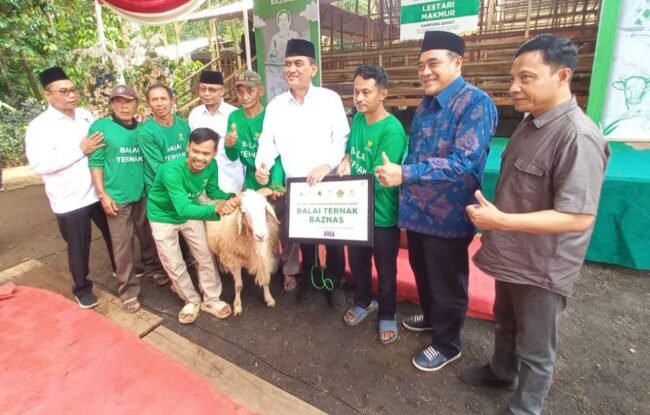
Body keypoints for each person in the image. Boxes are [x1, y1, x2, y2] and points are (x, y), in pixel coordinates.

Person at [460, 35, 610, 415]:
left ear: (562, 76)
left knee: (537, 346)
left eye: (526, 78)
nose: (514, 87)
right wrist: (498, 223)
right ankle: (501, 372)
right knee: (506, 322)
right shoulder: (532, 123)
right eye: (513, 78)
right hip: (512, 251)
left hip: (542, 265)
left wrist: (502, 220)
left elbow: (578, 216)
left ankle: (525, 408)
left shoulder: (577, 136)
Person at [375, 31, 498, 371]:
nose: (425, 72)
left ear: (457, 62)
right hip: (416, 212)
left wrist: (405, 174)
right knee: (423, 272)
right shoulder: (427, 104)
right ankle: (431, 317)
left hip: (448, 217)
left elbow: (462, 162)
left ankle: (447, 343)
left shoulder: (476, 103)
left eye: (433, 63)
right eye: (421, 66)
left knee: (447, 282)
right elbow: (417, 152)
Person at [255, 39, 350, 309]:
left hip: (327, 182)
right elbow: (267, 142)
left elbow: (341, 138)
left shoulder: (329, 100)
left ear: (313, 69)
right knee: (305, 240)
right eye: (288, 64)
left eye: (298, 63)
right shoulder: (276, 106)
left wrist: (327, 165)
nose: (292, 69)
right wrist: (262, 166)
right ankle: (310, 280)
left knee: (333, 238)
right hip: (297, 187)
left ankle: (335, 282)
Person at [25, 66, 116, 308]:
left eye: (73, 90)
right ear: (47, 95)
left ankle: (121, 268)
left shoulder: (85, 115)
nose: (71, 95)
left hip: (98, 190)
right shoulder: (39, 127)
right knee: (78, 245)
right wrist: (79, 150)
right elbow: (40, 164)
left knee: (114, 234)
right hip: (70, 198)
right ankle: (82, 288)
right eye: (63, 91)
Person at [337, 64, 407, 344]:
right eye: (356, 92)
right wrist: (346, 160)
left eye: (366, 92)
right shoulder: (357, 119)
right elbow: (350, 152)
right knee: (357, 261)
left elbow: (381, 177)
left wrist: (348, 187)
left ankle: (387, 313)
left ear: (383, 94)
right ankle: (363, 301)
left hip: (381, 214)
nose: (359, 98)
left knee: (385, 268)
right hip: (356, 212)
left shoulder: (392, 130)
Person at [147, 128, 239, 324]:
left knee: (205, 255)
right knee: (173, 262)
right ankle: (191, 300)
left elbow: (213, 191)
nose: (199, 157)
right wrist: (217, 210)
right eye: (195, 151)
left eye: (206, 153)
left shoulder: (212, 166)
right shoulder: (171, 170)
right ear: (188, 147)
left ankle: (212, 300)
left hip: (192, 211)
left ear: (214, 153)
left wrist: (232, 198)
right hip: (163, 216)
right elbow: (182, 209)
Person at [88, 85, 167, 313]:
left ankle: (154, 269)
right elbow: (96, 162)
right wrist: (103, 194)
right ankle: (128, 290)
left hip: (142, 193)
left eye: (129, 101)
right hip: (117, 197)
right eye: (118, 101)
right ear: (112, 104)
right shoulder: (101, 128)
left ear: (136, 104)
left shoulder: (142, 129)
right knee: (122, 244)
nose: (124, 106)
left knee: (148, 235)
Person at [223, 69, 300, 291]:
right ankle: (266, 263)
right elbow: (232, 156)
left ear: (261, 91)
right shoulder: (234, 118)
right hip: (252, 182)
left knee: (285, 226)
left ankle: (290, 270)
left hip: (276, 178)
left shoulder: (271, 116)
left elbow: (281, 153)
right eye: (240, 91)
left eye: (250, 91)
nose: (245, 96)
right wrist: (230, 144)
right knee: (257, 226)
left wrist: (275, 183)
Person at [138, 83, 192, 280]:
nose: (159, 104)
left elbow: (189, 155)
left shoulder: (183, 125)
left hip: (183, 186)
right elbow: (159, 167)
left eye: (163, 98)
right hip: (161, 191)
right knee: (167, 239)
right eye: (154, 100)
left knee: (187, 229)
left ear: (172, 100)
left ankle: (188, 264)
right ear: (148, 103)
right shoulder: (146, 132)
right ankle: (165, 274)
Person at [188, 70, 244, 194]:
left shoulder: (235, 114)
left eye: (212, 90)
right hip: (202, 184)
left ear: (222, 91)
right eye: (203, 89)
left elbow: (241, 149)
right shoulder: (195, 114)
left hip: (231, 182)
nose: (206, 93)